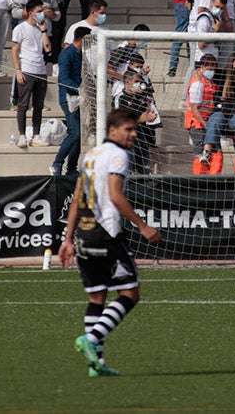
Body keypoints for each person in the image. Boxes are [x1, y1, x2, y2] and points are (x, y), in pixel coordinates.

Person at [59, 107, 162, 377]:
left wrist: (68, 239)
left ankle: (97, 364)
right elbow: (116, 196)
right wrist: (143, 226)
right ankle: (91, 340)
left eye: (134, 128)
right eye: (128, 129)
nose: (134, 133)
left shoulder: (91, 155)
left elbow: (78, 197)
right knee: (130, 293)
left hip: (84, 233)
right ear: (113, 130)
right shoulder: (118, 155)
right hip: (106, 234)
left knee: (97, 296)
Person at [11, 0, 52, 148]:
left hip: (41, 70)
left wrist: (43, 30)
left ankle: (36, 135)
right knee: (23, 104)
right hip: (27, 69)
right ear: (30, 13)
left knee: (38, 105)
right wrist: (18, 70)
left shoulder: (41, 29)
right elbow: (14, 49)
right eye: (39, 11)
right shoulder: (20, 28)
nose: (42, 14)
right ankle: (22, 135)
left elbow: (47, 48)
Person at [52, 26, 89, 177]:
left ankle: (71, 168)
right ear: (83, 40)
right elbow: (63, 79)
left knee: (79, 135)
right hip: (68, 99)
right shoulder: (66, 55)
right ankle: (57, 163)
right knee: (74, 132)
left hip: (79, 99)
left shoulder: (82, 56)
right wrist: (80, 89)